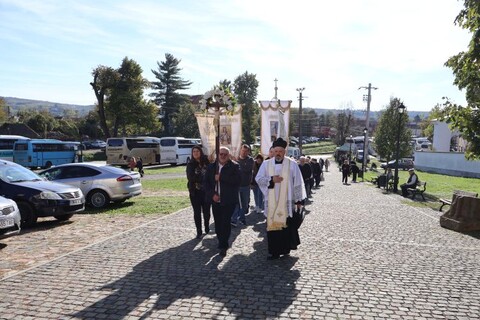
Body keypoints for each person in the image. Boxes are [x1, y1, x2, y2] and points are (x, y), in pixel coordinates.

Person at [256, 138, 306, 260]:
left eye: (280, 151)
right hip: (272, 202)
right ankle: (274, 252)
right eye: (276, 151)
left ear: (284, 152)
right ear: (273, 151)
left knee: (286, 227)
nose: (278, 153)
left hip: (287, 201)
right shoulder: (266, 164)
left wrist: (299, 201)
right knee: (273, 228)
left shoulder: (292, 164)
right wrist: (271, 180)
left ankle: (285, 249)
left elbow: (298, 182)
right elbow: (258, 179)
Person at [205, 147, 241, 256]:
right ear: (218, 154)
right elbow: (206, 183)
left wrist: (221, 177)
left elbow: (237, 181)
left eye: (225, 154)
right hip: (216, 200)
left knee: (225, 222)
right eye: (221, 154)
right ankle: (221, 240)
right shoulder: (211, 167)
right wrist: (212, 195)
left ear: (229, 155)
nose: (223, 156)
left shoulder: (234, 166)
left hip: (228, 200)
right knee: (218, 223)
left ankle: (223, 245)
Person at [186, 146, 211, 239]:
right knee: (197, 212)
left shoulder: (206, 162)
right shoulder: (190, 164)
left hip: (206, 191)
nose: (195, 153)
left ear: (200, 152)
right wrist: (202, 178)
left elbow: (210, 174)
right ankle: (199, 231)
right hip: (195, 192)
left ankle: (207, 226)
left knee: (206, 211)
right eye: (194, 151)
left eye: (197, 151)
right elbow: (190, 177)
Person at [231, 144, 254, 226]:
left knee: (244, 203)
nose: (244, 152)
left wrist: (237, 162)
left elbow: (246, 170)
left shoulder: (250, 160)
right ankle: (234, 219)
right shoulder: (235, 159)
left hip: (246, 186)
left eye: (246, 151)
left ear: (248, 152)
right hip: (237, 185)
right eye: (243, 150)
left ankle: (242, 217)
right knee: (237, 203)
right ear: (240, 150)